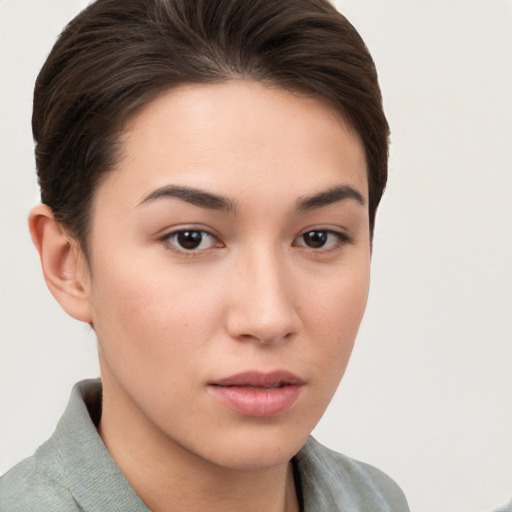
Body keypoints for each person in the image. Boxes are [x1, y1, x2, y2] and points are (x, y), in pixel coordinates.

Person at [0, 0, 410, 510]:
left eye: (318, 237)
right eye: (190, 238)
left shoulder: (375, 500)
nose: (268, 317)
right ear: (68, 263)